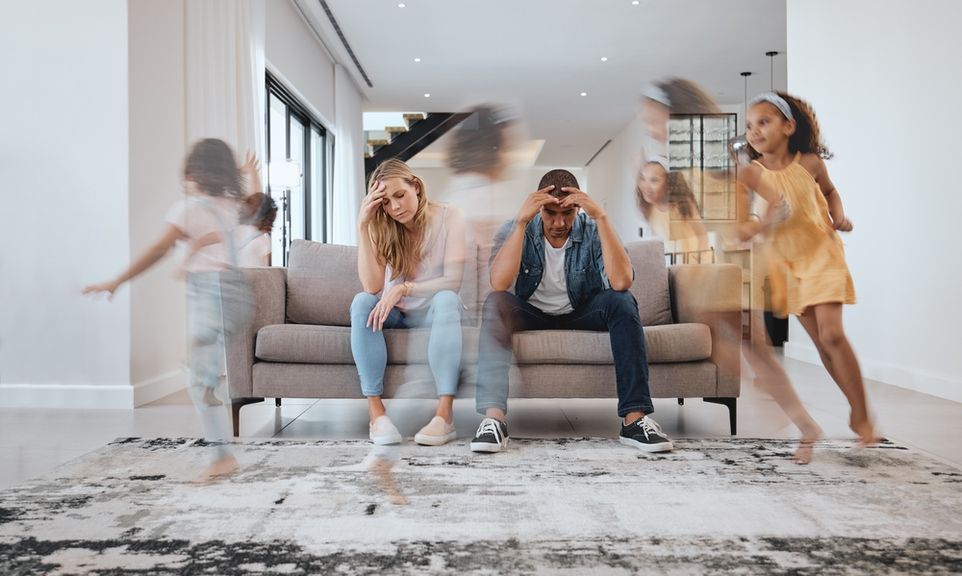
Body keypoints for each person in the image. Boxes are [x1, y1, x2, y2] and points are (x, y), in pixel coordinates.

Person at [83, 138, 255, 480]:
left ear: (194, 171)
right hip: (239, 297)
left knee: (197, 380)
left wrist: (117, 280)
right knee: (202, 378)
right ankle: (220, 439)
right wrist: (247, 174)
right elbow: (255, 208)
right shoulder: (231, 206)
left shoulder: (188, 208)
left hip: (210, 297)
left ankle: (223, 457)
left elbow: (158, 249)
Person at [471, 169, 673, 454]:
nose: (558, 222)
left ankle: (634, 421)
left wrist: (601, 218)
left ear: (578, 208)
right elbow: (499, 283)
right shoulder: (517, 227)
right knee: (496, 302)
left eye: (567, 213)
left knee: (622, 301)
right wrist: (520, 223)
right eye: (550, 212)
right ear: (539, 206)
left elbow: (621, 281)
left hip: (581, 311)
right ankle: (494, 421)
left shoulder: (592, 229)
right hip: (531, 313)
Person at [738, 91, 879, 447]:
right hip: (785, 266)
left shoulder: (811, 163)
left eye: (763, 122)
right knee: (820, 342)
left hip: (821, 254)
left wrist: (839, 215)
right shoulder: (751, 174)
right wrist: (763, 222)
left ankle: (861, 412)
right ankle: (853, 406)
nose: (754, 131)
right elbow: (743, 228)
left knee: (833, 335)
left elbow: (830, 192)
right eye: (750, 125)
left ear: (788, 126)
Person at [352, 158, 466, 446]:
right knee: (362, 302)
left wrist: (404, 288)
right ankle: (377, 416)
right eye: (386, 203)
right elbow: (372, 286)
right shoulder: (383, 226)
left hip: (434, 310)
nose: (395, 208)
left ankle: (444, 415)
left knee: (447, 299)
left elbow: (453, 280)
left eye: (399, 196)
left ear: (415, 186)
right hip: (398, 314)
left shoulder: (450, 216)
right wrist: (363, 226)